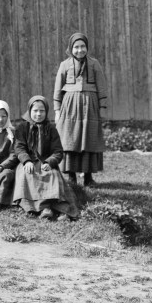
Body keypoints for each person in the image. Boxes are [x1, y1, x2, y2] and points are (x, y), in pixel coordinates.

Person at [12, 95, 80, 221]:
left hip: (45, 162)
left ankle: (61, 209)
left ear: (46, 111)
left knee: (53, 175)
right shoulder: (22, 127)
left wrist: (50, 162)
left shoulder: (51, 128)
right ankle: (43, 208)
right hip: (28, 161)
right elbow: (19, 147)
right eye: (35, 111)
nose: (38, 114)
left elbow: (58, 151)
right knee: (28, 175)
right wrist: (26, 161)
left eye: (42, 111)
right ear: (29, 111)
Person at [53, 32, 108, 187]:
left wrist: (102, 107)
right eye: (76, 47)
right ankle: (71, 176)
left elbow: (102, 87)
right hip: (69, 106)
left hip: (90, 106)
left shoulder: (94, 64)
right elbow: (58, 89)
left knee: (89, 138)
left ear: (87, 47)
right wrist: (57, 111)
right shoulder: (64, 65)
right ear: (71, 48)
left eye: (82, 46)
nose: (79, 50)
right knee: (70, 138)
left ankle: (88, 177)